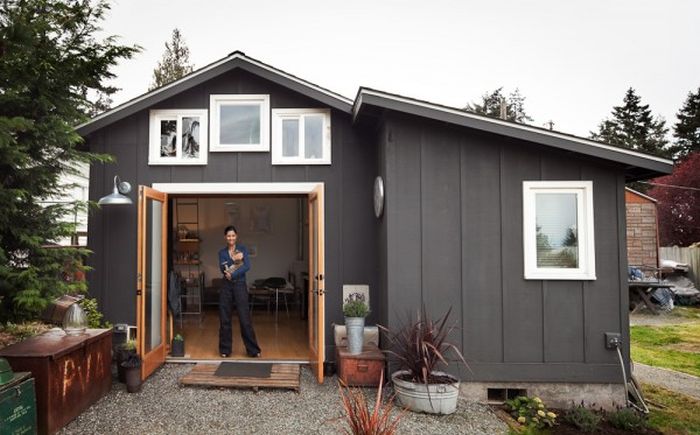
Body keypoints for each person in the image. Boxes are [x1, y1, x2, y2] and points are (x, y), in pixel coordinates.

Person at [218, 225, 261, 358]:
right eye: (228, 236)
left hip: (240, 286)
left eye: (233, 235)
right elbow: (222, 269)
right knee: (225, 318)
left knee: (244, 318)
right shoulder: (222, 253)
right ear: (225, 237)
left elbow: (247, 266)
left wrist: (233, 272)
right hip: (226, 287)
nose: (231, 238)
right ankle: (225, 350)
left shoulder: (242, 249)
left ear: (236, 236)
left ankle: (253, 350)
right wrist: (237, 261)